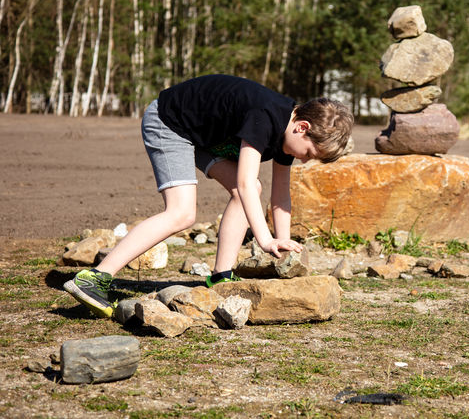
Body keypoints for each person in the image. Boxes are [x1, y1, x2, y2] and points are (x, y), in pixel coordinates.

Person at [64, 74, 354, 317]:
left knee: (253, 190)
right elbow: (242, 179)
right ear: (302, 128)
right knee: (182, 213)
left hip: (204, 137)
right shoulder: (266, 116)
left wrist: (284, 246)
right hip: (170, 122)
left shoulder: (288, 136)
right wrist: (264, 239)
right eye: (308, 153)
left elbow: (280, 194)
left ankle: (220, 277)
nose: (304, 160)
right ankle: (93, 278)